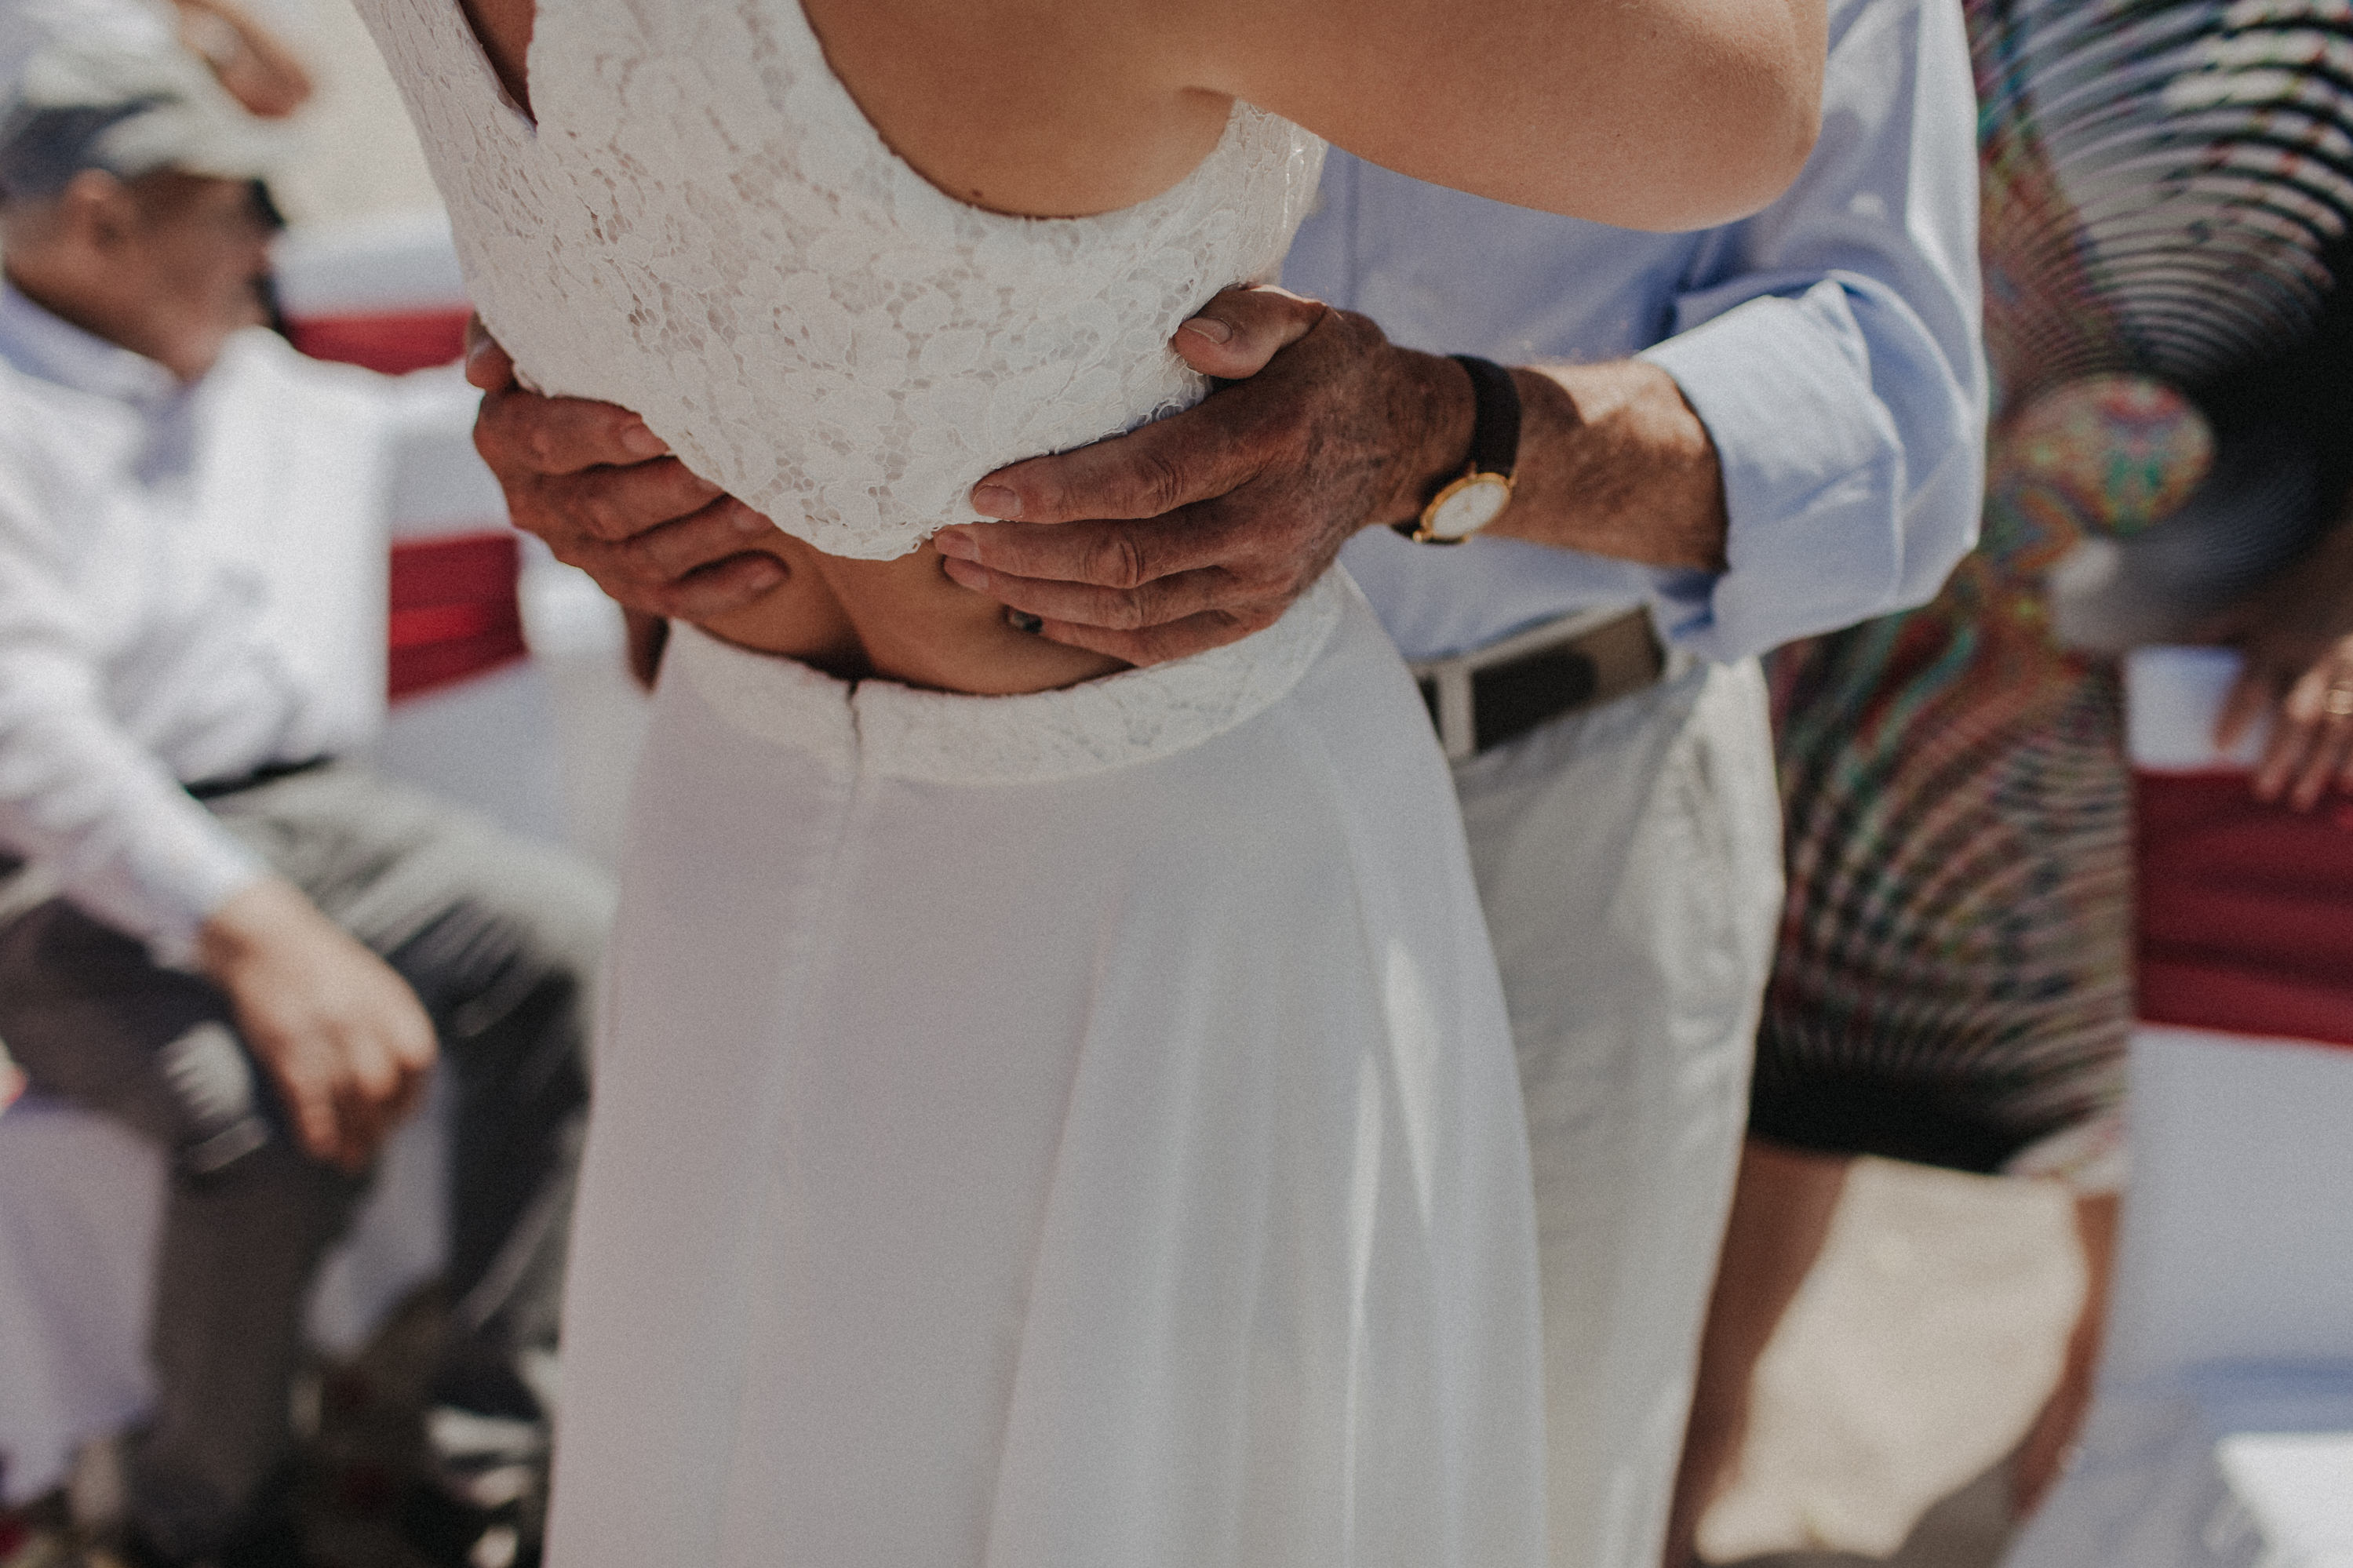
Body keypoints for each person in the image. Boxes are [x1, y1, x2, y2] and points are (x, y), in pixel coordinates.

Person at [460, 0, 1983, 1562]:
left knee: (1508, 1493)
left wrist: (1459, 444)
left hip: (1552, 807)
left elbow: (1900, 407)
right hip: (949, 826)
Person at [0, 14, 608, 1566]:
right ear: (103, 220)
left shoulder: (253, 381)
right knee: (247, 1109)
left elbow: (453, 449)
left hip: (328, 824)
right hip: (69, 882)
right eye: (243, 202)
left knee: (579, 955)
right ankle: (208, 1514)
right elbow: (32, 744)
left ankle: (481, 1453)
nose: (274, 237)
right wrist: (262, 934)